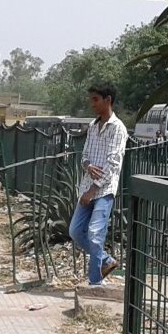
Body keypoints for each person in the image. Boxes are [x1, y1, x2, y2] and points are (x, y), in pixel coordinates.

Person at [69, 82, 128, 287]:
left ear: (107, 100)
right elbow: (84, 155)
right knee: (76, 231)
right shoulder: (93, 127)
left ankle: (95, 284)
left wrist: (94, 190)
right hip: (87, 188)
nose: (92, 104)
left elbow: (113, 165)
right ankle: (105, 260)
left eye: (95, 99)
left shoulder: (118, 129)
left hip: (103, 191)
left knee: (95, 234)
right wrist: (87, 165)